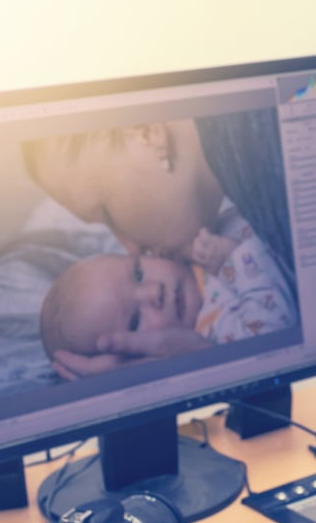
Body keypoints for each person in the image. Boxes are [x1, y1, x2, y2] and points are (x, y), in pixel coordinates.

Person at [22, 111, 294, 373]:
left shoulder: (273, 156)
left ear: (147, 134)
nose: (133, 248)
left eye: (107, 214)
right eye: (135, 320)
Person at [40, 220, 298, 378]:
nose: (154, 292)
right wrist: (235, 257)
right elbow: (273, 333)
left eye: (138, 273)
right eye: (135, 321)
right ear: (138, 355)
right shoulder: (213, 330)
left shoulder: (186, 241)